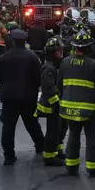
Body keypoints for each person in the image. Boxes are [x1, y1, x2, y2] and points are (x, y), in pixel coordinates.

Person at [58, 29, 95, 177]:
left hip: (69, 109)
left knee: (73, 136)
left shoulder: (65, 62)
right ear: (89, 47)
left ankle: (71, 166)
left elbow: (59, 86)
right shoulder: (93, 64)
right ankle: (93, 167)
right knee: (93, 137)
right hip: (88, 110)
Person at [0, 29, 45, 165]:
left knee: (8, 127)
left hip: (9, 98)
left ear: (13, 42)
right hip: (28, 97)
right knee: (32, 123)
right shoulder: (32, 57)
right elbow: (39, 77)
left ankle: (9, 156)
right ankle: (40, 146)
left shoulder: (4, 57)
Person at [37, 36, 68, 166]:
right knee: (53, 131)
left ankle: (58, 149)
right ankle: (49, 156)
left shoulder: (55, 65)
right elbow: (48, 89)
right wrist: (56, 103)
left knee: (61, 128)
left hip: (58, 105)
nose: (61, 53)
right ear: (53, 52)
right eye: (59, 50)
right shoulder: (48, 68)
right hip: (52, 106)